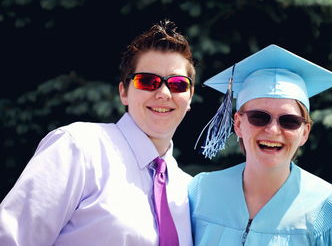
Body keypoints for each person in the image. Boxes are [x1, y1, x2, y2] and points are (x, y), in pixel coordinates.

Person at [0, 19, 195, 246]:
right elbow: (11, 238)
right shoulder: (78, 148)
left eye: (178, 84)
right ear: (124, 92)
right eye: (148, 81)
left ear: (189, 97)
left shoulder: (187, 190)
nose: (163, 92)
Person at [189, 44, 332, 245]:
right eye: (258, 117)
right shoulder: (201, 193)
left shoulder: (331, 210)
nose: (272, 130)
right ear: (238, 124)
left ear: (304, 132)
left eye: (289, 121)